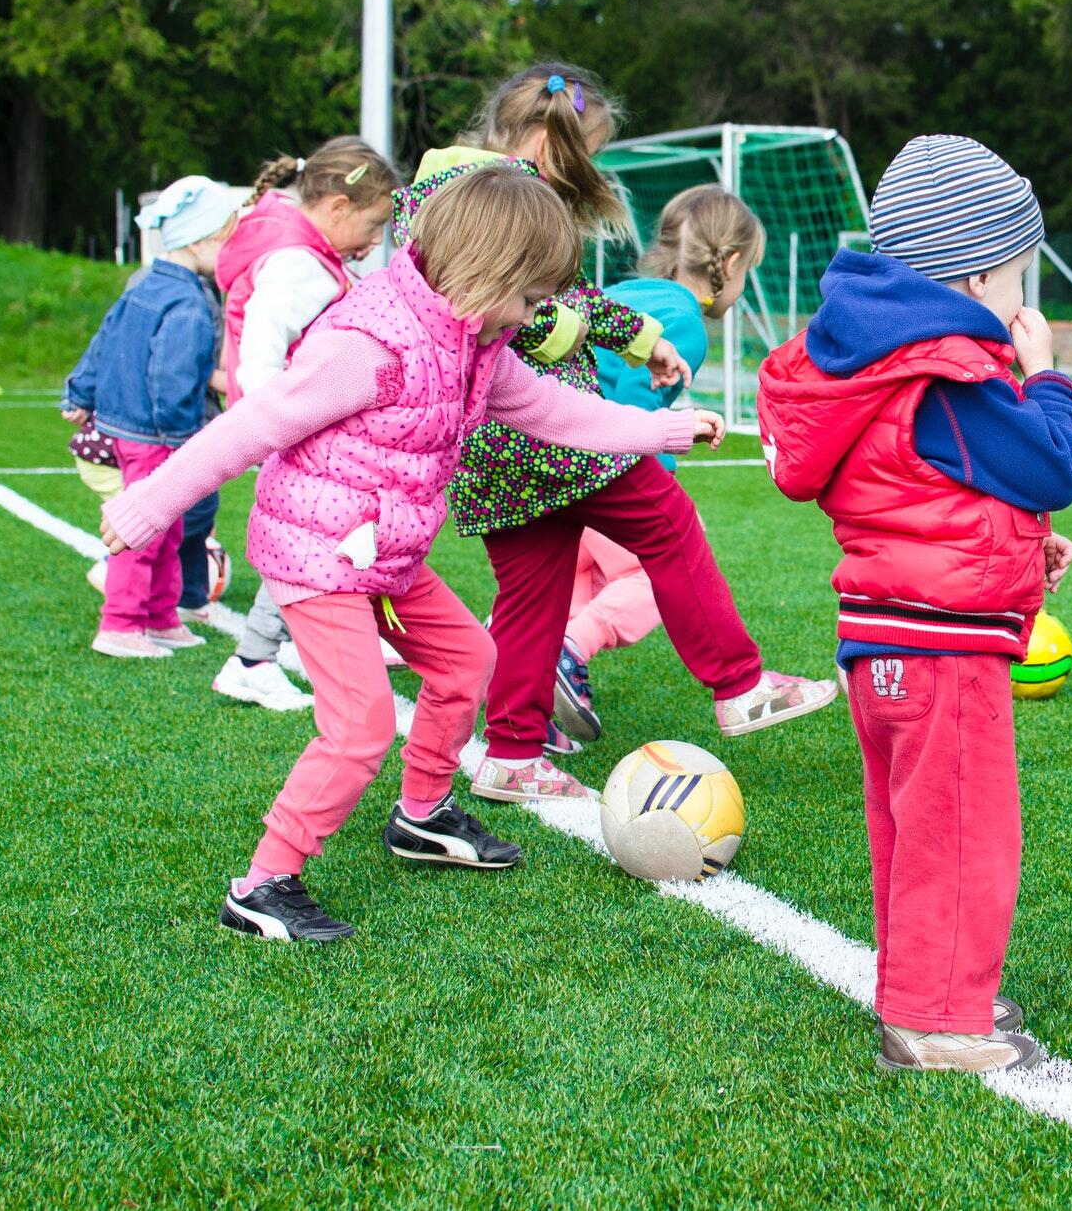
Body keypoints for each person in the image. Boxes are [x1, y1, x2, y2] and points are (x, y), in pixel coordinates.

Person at [97, 164, 725, 943]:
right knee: (359, 725)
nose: (536, 317)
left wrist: (664, 429)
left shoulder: (476, 340)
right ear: (487, 273)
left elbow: (554, 411)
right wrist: (149, 504)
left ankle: (422, 815)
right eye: (531, 299)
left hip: (384, 556)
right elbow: (253, 425)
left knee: (469, 659)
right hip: (318, 555)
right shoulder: (370, 342)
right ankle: (261, 884)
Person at [391, 63, 834, 805]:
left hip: (491, 448)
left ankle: (511, 752)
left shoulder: (448, 188)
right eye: (583, 154)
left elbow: (567, 295)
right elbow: (517, 312)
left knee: (535, 591)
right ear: (542, 139)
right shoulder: (488, 197)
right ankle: (739, 683)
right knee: (668, 522)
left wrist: (641, 339)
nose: (585, 173)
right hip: (547, 430)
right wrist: (584, 341)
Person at [758, 135, 1072, 1073]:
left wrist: (1024, 549)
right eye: (1021, 274)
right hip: (941, 652)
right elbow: (1051, 463)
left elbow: (923, 492)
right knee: (962, 833)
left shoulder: (878, 361)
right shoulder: (948, 371)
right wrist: (1048, 375)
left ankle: (928, 984)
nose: (1025, 299)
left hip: (886, 639)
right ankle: (936, 1019)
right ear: (978, 272)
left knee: (913, 831)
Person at [550, 185, 767, 747]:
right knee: (652, 572)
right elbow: (632, 404)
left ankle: (527, 683)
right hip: (596, 465)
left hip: (546, 459)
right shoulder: (686, 324)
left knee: (571, 578)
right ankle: (570, 652)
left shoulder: (626, 292)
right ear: (732, 263)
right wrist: (655, 484)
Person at [208, 136, 404, 712]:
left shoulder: (302, 250)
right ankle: (253, 659)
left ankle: (271, 651)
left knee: (324, 538)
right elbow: (262, 355)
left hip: (296, 427)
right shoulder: (299, 265)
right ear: (338, 209)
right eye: (373, 226)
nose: (374, 245)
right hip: (296, 430)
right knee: (316, 542)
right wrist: (281, 424)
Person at [63, 176, 238, 659]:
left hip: (134, 426)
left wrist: (80, 389)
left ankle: (161, 616)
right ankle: (120, 623)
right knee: (144, 528)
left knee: (170, 527)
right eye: (228, 238)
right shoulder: (188, 302)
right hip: (157, 434)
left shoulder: (147, 282)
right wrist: (184, 439)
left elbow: (104, 337)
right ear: (202, 241)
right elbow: (172, 375)